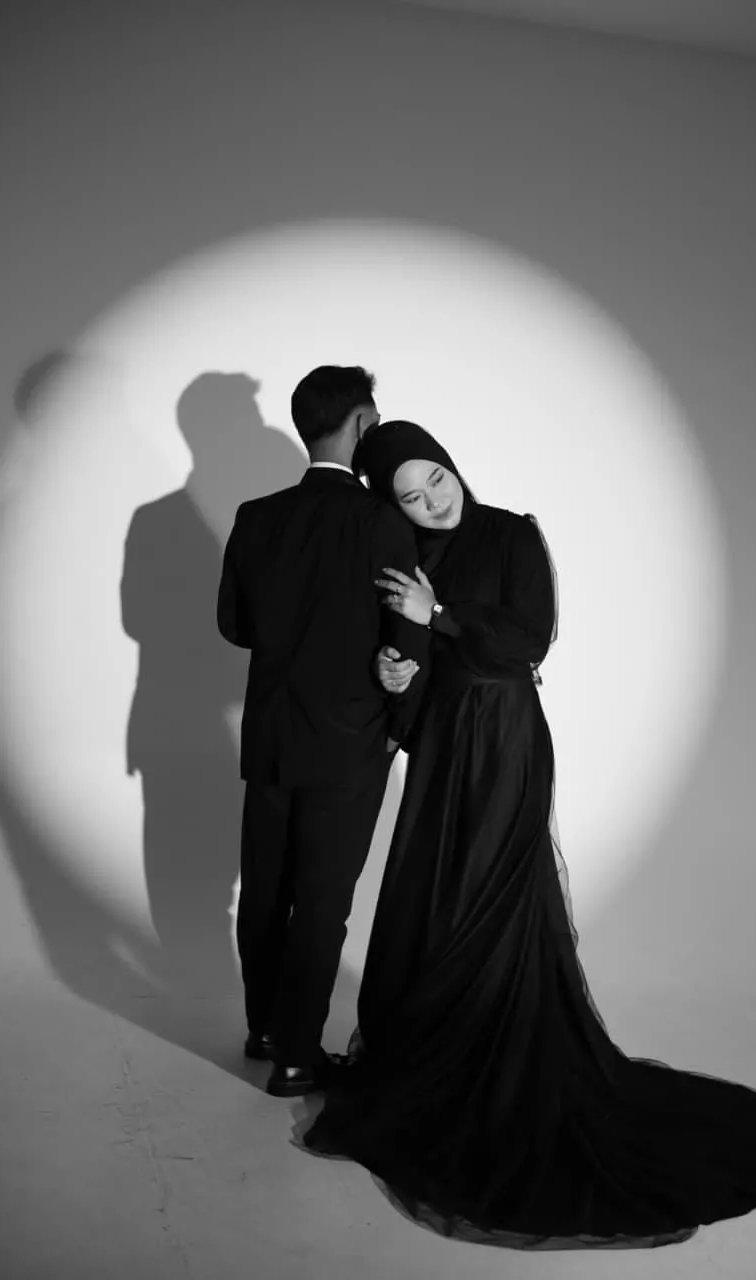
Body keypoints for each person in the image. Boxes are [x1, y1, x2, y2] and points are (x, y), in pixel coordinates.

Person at [297, 419, 756, 1250]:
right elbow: (413, 659)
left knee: (491, 894)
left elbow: (525, 640)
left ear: (450, 464)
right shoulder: (405, 558)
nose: (432, 501)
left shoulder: (511, 534)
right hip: (440, 741)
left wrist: (439, 614)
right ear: (391, 506)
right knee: (429, 893)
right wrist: (396, 672)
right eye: (409, 496)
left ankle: (497, 1054)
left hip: (504, 737)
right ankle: (431, 1050)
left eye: (435, 478)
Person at [217, 372, 430, 1098]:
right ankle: (298, 1057)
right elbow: (406, 635)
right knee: (321, 899)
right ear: (363, 424)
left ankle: (265, 1030)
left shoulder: (256, 517)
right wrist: (397, 726)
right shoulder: (382, 522)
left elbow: (234, 625)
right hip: (350, 737)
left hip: (271, 732)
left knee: (265, 889)